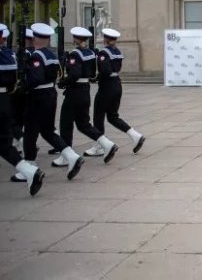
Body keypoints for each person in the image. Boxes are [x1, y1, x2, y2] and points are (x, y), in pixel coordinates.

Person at [22, 23, 84, 180]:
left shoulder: (36, 56)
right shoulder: (52, 55)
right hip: (50, 93)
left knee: (30, 131)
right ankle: (71, 156)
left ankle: (29, 165)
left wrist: (23, 87)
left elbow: (35, 79)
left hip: (38, 96)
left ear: (35, 38)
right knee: (48, 130)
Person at [54, 27, 119, 166]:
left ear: (76, 39)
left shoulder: (75, 54)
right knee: (84, 124)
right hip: (85, 90)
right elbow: (93, 72)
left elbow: (74, 74)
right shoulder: (90, 53)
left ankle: (66, 156)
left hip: (74, 92)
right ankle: (107, 144)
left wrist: (63, 82)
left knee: (66, 124)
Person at [0, 24, 44, 196]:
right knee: (4, 144)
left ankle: (30, 171)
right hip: (5, 99)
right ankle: (30, 172)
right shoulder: (10, 55)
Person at [87, 28, 145, 158]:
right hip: (117, 84)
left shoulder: (103, 53)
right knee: (113, 116)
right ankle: (136, 136)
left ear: (106, 39)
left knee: (98, 116)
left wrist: (96, 76)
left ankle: (100, 146)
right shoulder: (117, 52)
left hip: (107, 87)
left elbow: (105, 71)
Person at [10, 28, 33, 154]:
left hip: (20, 89)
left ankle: (22, 140)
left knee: (15, 118)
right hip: (28, 89)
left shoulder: (24, 53)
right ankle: (18, 142)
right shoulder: (33, 52)